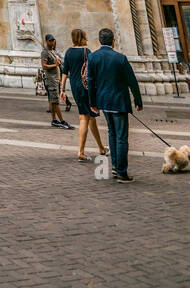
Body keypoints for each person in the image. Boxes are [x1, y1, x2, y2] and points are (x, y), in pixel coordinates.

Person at [87, 27, 142, 182]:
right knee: (121, 137)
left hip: (104, 101)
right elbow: (132, 81)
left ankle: (115, 167)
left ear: (100, 41)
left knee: (112, 133)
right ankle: (122, 172)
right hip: (119, 101)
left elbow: (91, 82)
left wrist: (93, 102)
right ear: (113, 40)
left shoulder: (93, 57)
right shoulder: (120, 58)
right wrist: (138, 100)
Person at [60, 28, 108, 161]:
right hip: (86, 87)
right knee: (84, 118)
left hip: (75, 87)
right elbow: (93, 70)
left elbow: (64, 72)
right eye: (85, 37)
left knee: (91, 117)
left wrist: (62, 90)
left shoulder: (69, 52)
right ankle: (80, 152)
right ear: (81, 38)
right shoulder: (86, 51)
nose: (87, 39)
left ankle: (101, 148)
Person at [40, 34, 73, 129]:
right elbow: (44, 66)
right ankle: (62, 121)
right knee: (55, 102)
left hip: (56, 80)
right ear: (47, 41)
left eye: (53, 40)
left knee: (51, 101)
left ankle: (54, 120)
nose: (52, 42)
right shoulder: (45, 53)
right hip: (51, 80)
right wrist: (55, 65)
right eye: (50, 41)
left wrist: (58, 62)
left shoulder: (53, 51)